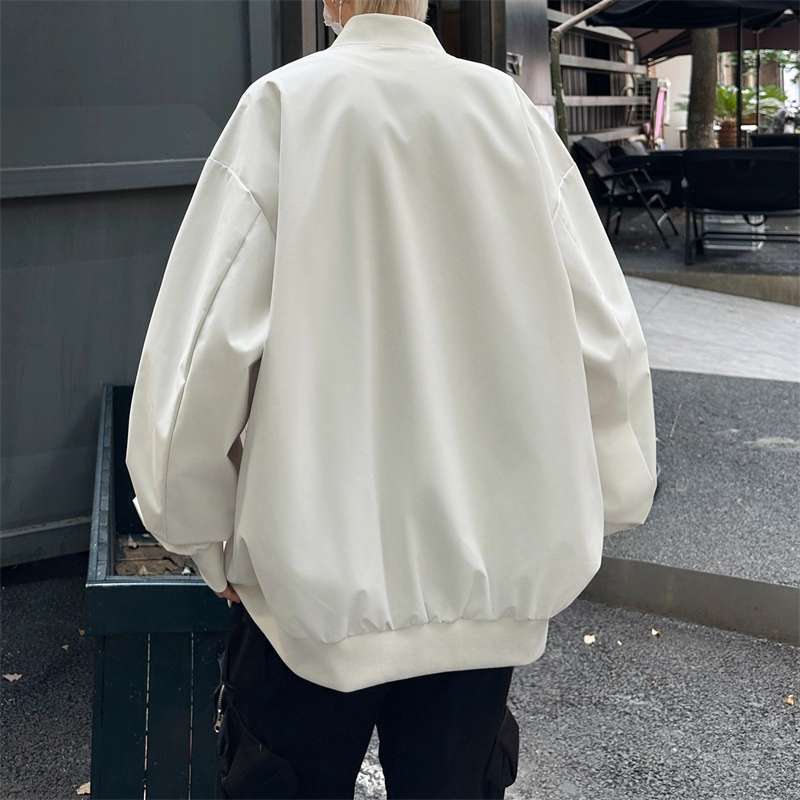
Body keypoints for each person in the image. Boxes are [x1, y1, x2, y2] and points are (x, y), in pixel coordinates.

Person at [125, 0, 657, 797]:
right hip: (488, 586)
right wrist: (611, 495)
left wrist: (197, 528)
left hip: (311, 589)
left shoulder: (286, 109)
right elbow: (606, 339)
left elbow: (202, 352)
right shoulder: (509, 114)